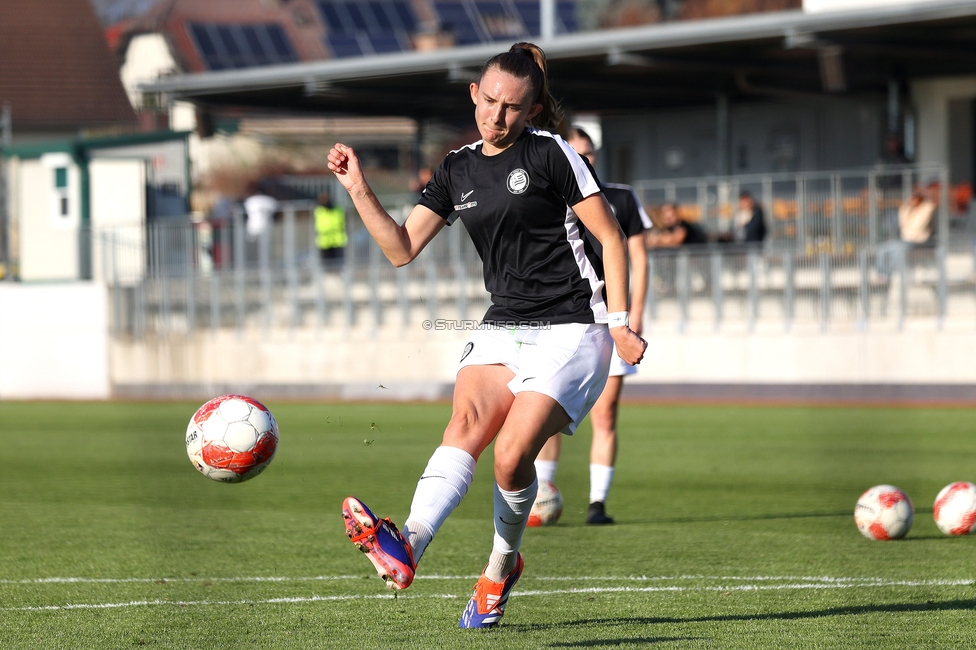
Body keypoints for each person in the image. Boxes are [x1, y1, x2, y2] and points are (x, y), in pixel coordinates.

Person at [327, 42, 646, 629]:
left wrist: (621, 323)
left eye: (512, 108)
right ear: (474, 93)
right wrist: (357, 189)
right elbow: (401, 249)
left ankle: (500, 568)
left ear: (530, 110)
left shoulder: (551, 154)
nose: (496, 117)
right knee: (464, 427)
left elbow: (612, 237)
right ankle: (408, 545)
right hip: (503, 324)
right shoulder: (456, 167)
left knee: (509, 457)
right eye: (490, 101)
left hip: (573, 328)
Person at [533, 125, 650, 525]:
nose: (585, 160)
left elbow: (639, 258)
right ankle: (542, 496)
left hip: (612, 318)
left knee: (606, 415)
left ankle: (597, 504)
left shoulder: (620, 198)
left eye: (589, 153)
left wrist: (633, 312)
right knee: (546, 410)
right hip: (565, 319)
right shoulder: (550, 194)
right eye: (576, 152)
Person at [314, 191, 348, 267]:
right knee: (326, 264)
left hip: (338, 241)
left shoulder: (338, 209)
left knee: (339, 263)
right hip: (325, 242)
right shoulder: (319, 211)